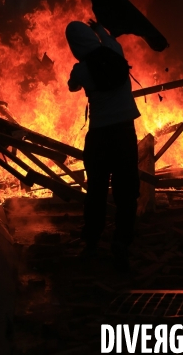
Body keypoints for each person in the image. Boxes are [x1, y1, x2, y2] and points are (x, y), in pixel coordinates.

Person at [65, 20, 141, 270]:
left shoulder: (82, 70)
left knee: (96, 191)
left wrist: (78, 74)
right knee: (126, 190)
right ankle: (122, 243)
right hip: (124, 132)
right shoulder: (114, 49)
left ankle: (92, 243)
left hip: (100, 136)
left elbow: (72, 86)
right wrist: (97, 29)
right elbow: (106, 37)